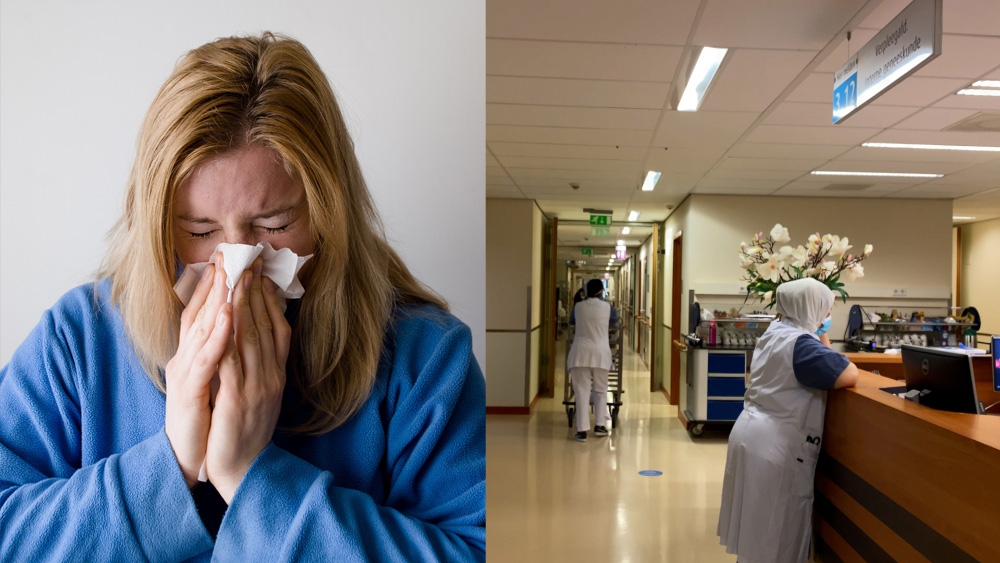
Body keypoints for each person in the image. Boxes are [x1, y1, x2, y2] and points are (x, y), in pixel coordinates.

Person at [0, 33, 485, 561]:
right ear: (158, 225)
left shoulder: (424, 358)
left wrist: (251, 476)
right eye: (200, 230)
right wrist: (172, 466)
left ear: (328, 213)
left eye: (274, 224)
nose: (237, 264)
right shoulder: (78, 339)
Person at [717, 277, 858, 562]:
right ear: (812, 308)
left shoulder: (775, 332)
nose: (828, 317)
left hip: (751, 434)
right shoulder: (802, 346)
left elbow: (827, 360)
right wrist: (822, 331)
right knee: (776, 537)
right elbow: (848, 373)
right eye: (825, 310)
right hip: (776, 447)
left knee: (756, 537)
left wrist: (818, 330)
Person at [567, 279, 619, 442]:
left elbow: (571, 321)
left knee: (581, 391)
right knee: (600, 390)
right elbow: (614, 320)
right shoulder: (608, 308)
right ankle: (599, 426)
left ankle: (581, 431)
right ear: (601, 291)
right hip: (601, 353)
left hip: (580, 353)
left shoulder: (578, 307)